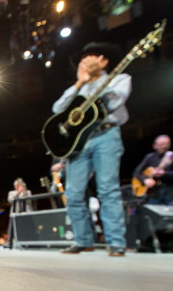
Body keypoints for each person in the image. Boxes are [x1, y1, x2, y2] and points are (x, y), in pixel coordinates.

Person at [52, 42, 131, 257]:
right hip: (80, 142)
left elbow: (114, 102)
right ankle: (83, 240)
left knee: (107, 189)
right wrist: (79, 83)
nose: (84, 60)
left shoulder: (119, 79)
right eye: (82, 57)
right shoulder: (79, 86)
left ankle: (116, 243)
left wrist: (97, 83)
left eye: (90, 56)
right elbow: (58, 109)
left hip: (106, 135)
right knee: (73, 193)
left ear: (103, 60)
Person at [133, 134, 173, 205]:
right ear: (154, 146)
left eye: (166, 144)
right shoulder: (149, 157)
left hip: (171, 191)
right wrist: (145, 180)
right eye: (161, 144)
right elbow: (137, 172)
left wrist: (164, 174)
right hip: (154, 192)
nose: (164, 146)